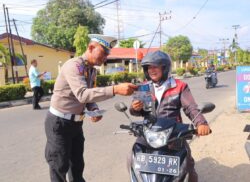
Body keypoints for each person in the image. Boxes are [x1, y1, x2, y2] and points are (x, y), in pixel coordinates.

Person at [45, 34, 137, 182]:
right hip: (59, 123)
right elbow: (82, 94)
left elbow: (88, 97)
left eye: (108, 54)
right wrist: (115, 89)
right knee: (59, 166)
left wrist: (93, 108)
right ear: (91, 47)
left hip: (76, 124)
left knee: (77, 166)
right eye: (104, 53)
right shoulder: (74, 65)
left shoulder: (91, 70)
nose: (105, 58)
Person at [130, 50, 211, 182]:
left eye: (155, 66)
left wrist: (201, 123)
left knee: (188, 166)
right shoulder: (143, 87)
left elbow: (190, 107)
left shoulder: (179, 86)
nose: (151, 70)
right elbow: (134, 111)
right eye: (148, 67)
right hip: (148, 132)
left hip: (174, 133)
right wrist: (134, 108)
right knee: (133, 158)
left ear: (165, 67)